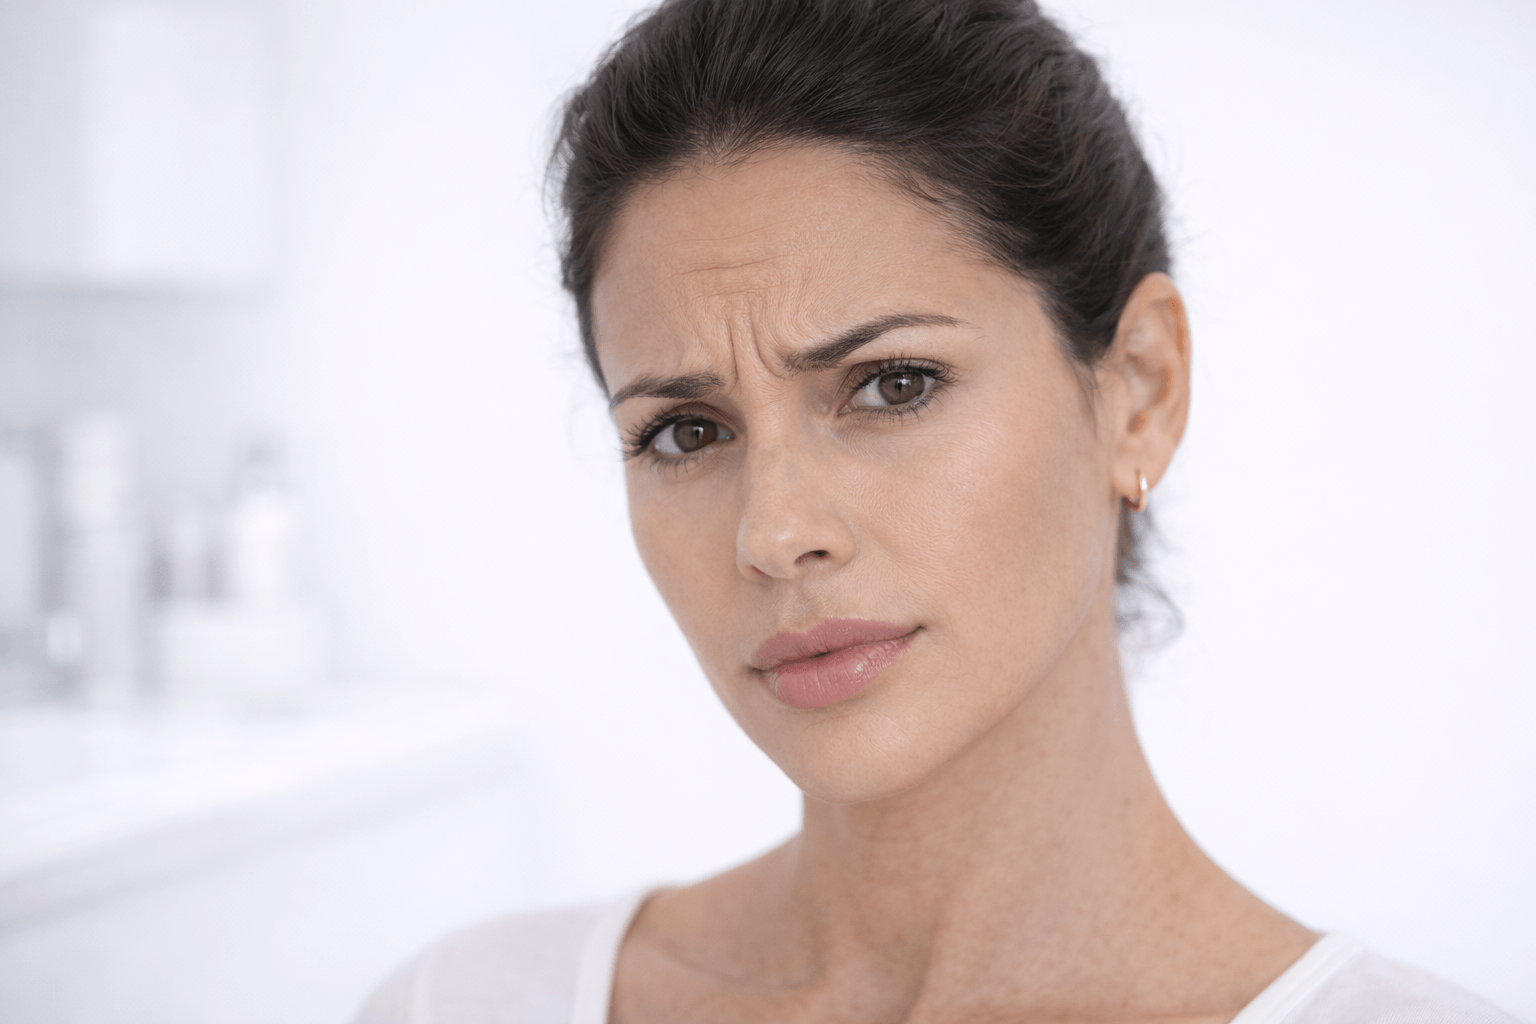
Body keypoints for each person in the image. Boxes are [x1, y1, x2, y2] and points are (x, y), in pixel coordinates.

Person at [355, 1, 1523, 1021]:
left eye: (893, 385)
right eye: (687, 432)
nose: (775, 533)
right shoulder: (461, 1004)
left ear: (1140, 391)